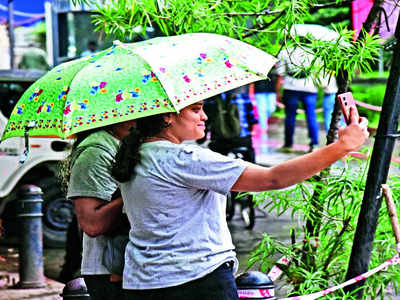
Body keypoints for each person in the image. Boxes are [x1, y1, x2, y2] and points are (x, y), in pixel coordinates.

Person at [111, 100, 368, 300]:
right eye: (196, 109)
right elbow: (272, 179)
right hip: (195, 279)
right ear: (168, 116)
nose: (205, 116)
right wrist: (342, 146)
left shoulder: (136, 155)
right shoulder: (184, 159)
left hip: (142, 281)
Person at [64, 120, 135, 300]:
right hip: (108, 271)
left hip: (136, 267)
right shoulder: (96, 153)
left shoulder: (133, 144)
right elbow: (92, 224)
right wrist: (136, 191)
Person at [276, 46, 321, 152]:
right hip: (309, 87)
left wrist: (278, 92)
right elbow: (317, 72)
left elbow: (280, 73)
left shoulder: (285, 52)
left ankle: (288, 144)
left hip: (291, 87)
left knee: (290, 117)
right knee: (311, 116)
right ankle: (314, 144)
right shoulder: (314, 53)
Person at [208, 86, 258, 163]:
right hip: (242, 139)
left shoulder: (211, 100)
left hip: (219, 140)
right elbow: (252, 119)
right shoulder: (243, 97)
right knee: (250, 163)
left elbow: (207, 120)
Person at [253, 67, 278, 134]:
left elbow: (278, 79)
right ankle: (263, 128)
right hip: (259, 90)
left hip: (271, 91)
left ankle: (261, 121)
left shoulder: (274, 66)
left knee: (272, 109)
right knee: (262, 110)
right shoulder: (256, 66)